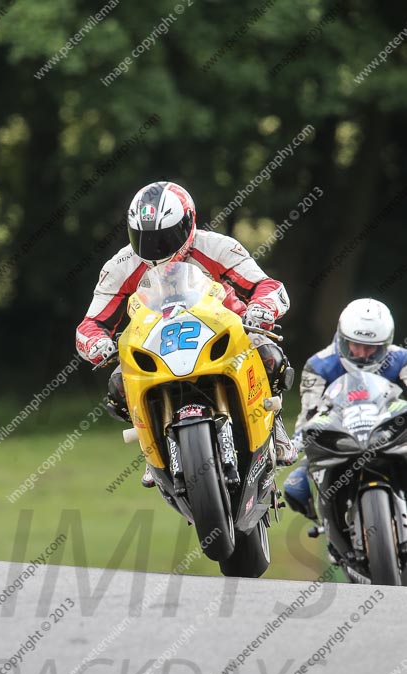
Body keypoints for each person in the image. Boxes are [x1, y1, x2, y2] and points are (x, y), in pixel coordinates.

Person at [75, 181, 296, 487]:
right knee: (118, 386)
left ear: (188, 223)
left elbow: (267, 286)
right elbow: (90, 324)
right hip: (156, 341)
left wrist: (261, 309)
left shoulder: (217, 246)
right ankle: (152, 446)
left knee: (269, 355)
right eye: (144, 238)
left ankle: (274, 425)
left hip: (224, 330)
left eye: (164, 237)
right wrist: (98, 344)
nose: (155, 248)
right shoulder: (120, 266)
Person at [284, 298, 407, 521]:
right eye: (355, 345)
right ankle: (330, 523)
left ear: (385, 344)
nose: (362, 353)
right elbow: (308, 416)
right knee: (295, 485)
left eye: (371, 348)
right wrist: (292, 448)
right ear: (342, 339)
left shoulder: (401, 359)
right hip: (340, 439)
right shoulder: (319, 365)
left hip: (388, 434)